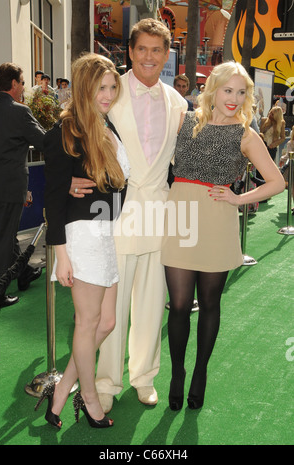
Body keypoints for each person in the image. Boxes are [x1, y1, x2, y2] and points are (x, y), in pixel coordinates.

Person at [70, 18, 187, 413]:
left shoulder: (179, 103)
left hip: (160, 212)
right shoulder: (110, 92)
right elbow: (77, 133)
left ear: (167, 54)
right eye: (142, 49)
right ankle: (106, 380)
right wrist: (69, 179)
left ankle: (144, 376)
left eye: (157, 50)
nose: (149, 57)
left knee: (152, 302)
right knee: (112, 308)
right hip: (116, 213)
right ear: (130, 52)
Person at [161, 61, 285, 411]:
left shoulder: (245, 134)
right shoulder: (185, 122)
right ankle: (177, 373)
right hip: (181, 217)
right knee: (180, 305)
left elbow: (277, 181)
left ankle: (200, 372)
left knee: (210, 303)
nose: (233, 98)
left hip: (217, 219)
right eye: (228, 90)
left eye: (241, 92)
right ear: (213, 89)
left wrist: (237, 198)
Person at [37, 53, 129, 430]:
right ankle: (88, 401)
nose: (107, 94)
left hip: (104, 232)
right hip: (81, 236)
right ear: (83, 87)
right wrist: (61, 255)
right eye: (100, 87)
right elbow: (53, 199)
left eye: (111, 87)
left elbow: (118, 180)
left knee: (104, 322)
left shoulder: (104, 125)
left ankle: (60, 395)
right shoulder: (66, 131)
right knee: (89, 321)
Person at [0, 62, 45, 310]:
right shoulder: (19, 112)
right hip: (8, 186)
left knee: (6, 236)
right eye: (23, 82)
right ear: (13, 84)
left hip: (2, 185)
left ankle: (23, 273)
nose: (23, 87)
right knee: (3, 240)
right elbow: (44, 141)